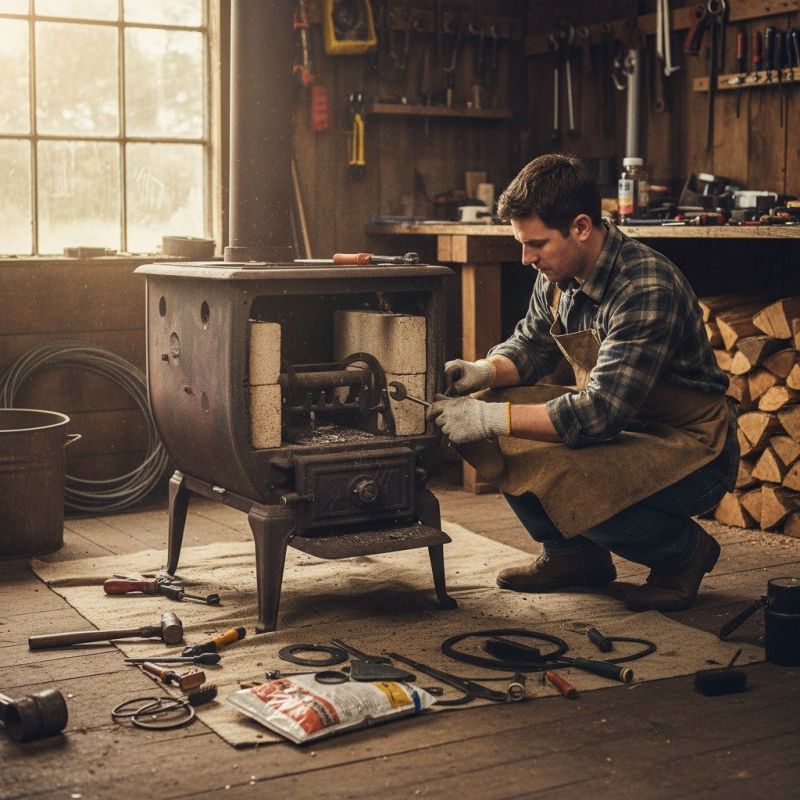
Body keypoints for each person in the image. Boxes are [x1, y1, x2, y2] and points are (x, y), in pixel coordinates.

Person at [427, 154, 739, 612]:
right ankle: (574, 556)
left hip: (693, 449)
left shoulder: (645, 287)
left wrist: (487, 417)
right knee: (495, 406)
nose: (526, 258)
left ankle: (683, 555)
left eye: (536, 244)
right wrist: (484, 372)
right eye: (521, 244)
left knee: (568, 475)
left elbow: (598, 416)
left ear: (580, 227)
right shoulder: (557, 274)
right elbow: (531, 348)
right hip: (623, 427)